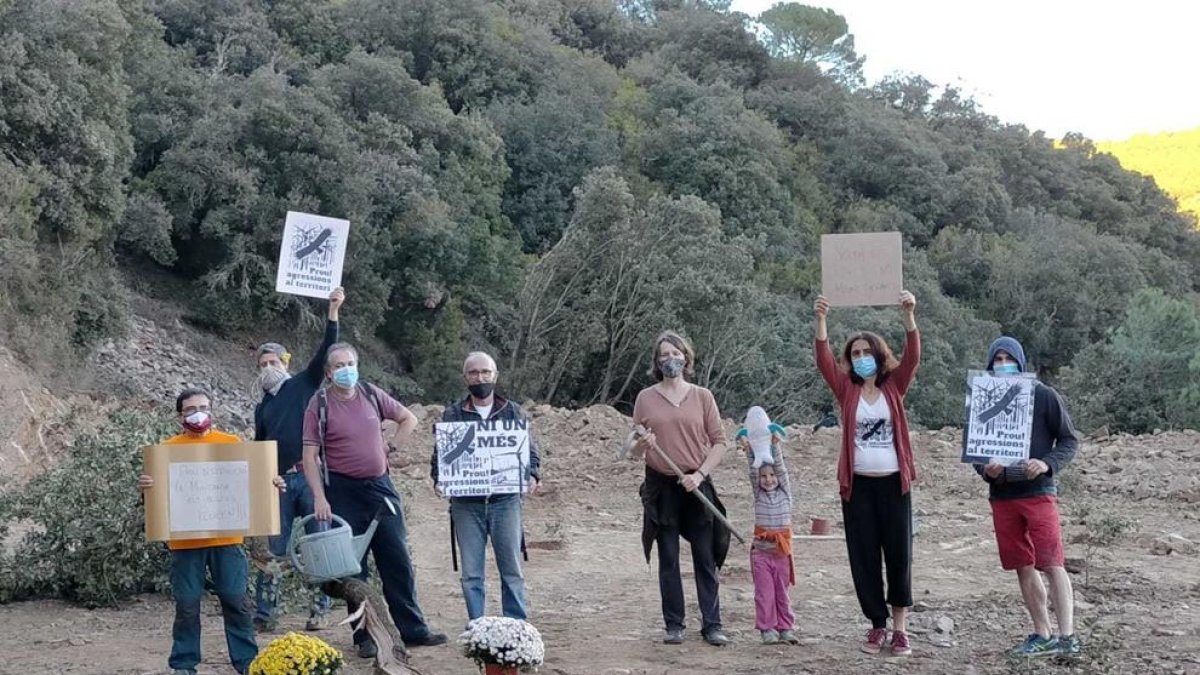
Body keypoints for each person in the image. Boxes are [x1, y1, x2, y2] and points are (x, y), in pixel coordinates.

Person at [301, 342, 447, 656]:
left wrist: (391, 448)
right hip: (342, 491)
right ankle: (364, 636)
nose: (346, 369)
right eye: (339, 365)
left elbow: (409, 419)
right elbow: (310, 456)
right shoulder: (320, 404)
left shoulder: (370, 393)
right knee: (354, 568)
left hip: (381, 489)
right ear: (328, 372)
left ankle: (413, 628)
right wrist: (319, 498)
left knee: (397, 559)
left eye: (350, 363)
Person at [137, 388, 285, 675]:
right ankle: (183, 663)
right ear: (179, 416)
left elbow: (254, 486)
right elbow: (156, 501)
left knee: (236, 600)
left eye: (203, 407)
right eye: (190, 409)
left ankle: (247, 663)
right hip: (184, 544)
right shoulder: (165, 450)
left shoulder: (233, 444)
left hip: (227, 541)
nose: (197, 413)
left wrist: (272, 484)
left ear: (212, 411)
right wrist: (146, 489)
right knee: (187, 605)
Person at [813, 291, 920, 657]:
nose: (861, 358)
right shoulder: (847, 390)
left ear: (878, 355)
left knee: (899, 555)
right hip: (858, 487)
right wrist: (822, 320)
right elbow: (824, 361)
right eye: (855, 354)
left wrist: (908, 315)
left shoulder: (894, 387)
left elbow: (913, 358)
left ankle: (901, 629)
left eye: (866, 352)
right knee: (864, 556)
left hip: (894, 485)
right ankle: (877, 624)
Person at [974, 336, 1081, 657]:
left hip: (1039, 493)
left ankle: (1067, 637)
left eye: (1010, 359)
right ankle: (1042, 633)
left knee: (1052, 562)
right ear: (990, 365)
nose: (1003, 364)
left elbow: (1068, 441)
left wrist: (1047, 464)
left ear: (1021, 363)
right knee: (1023, 565)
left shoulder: (1044, 396)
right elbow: (976, 450)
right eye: (998, 359)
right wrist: (985, 471)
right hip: (1003, 496)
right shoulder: (981, 400)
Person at [629, 331, 731, 647]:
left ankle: (712, 625)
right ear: (656, 362)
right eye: (663, 355)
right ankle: (674, 624)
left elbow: (720, 442)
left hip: (695, 485)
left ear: (686, 357)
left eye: (675, 353)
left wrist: (700, 474)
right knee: (669, 558)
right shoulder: (645, 398)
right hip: (662, 486)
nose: (670, 359)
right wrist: (642, 445)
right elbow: (633, 447)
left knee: (705, 555)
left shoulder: (703, 396)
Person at [251, 286, 343, 632]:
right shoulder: (263, 406)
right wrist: (262, 480)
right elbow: (259, 446)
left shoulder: (303, 384)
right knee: (276, 549)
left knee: (320, 543)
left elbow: (325, 352)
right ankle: (266, 614)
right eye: (262, 364)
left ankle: (320, 610)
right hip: (279, 483)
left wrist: (332, 312)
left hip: (309, 477)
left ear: (285, 363)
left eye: (274, 362)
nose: (268, 367)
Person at [430, 351, 542, 622]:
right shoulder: (453, 413)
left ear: (495, 376)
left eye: (485, 372)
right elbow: (441, 454)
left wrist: (533, 475)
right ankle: (477, 627)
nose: (480, 377)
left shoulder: (513, 411)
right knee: (470, 574)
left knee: (512, 571)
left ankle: (517, 627)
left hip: (505, 501)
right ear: (465, 378)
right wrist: (438, 477)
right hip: (466, 505)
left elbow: (531, 452)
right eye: (473, 373)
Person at [736, 426, 797, 645]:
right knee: (764, 593)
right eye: (764, 476)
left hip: (781, 553)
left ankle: (785, 627)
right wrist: (750, 451)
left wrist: (774, 445)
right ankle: (767, 628)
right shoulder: (759, 495)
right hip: (761, 553)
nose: (768, 479)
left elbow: (781, 468)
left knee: (782, 592)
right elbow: (753, 471)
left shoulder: (785, 494)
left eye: (771, 475)